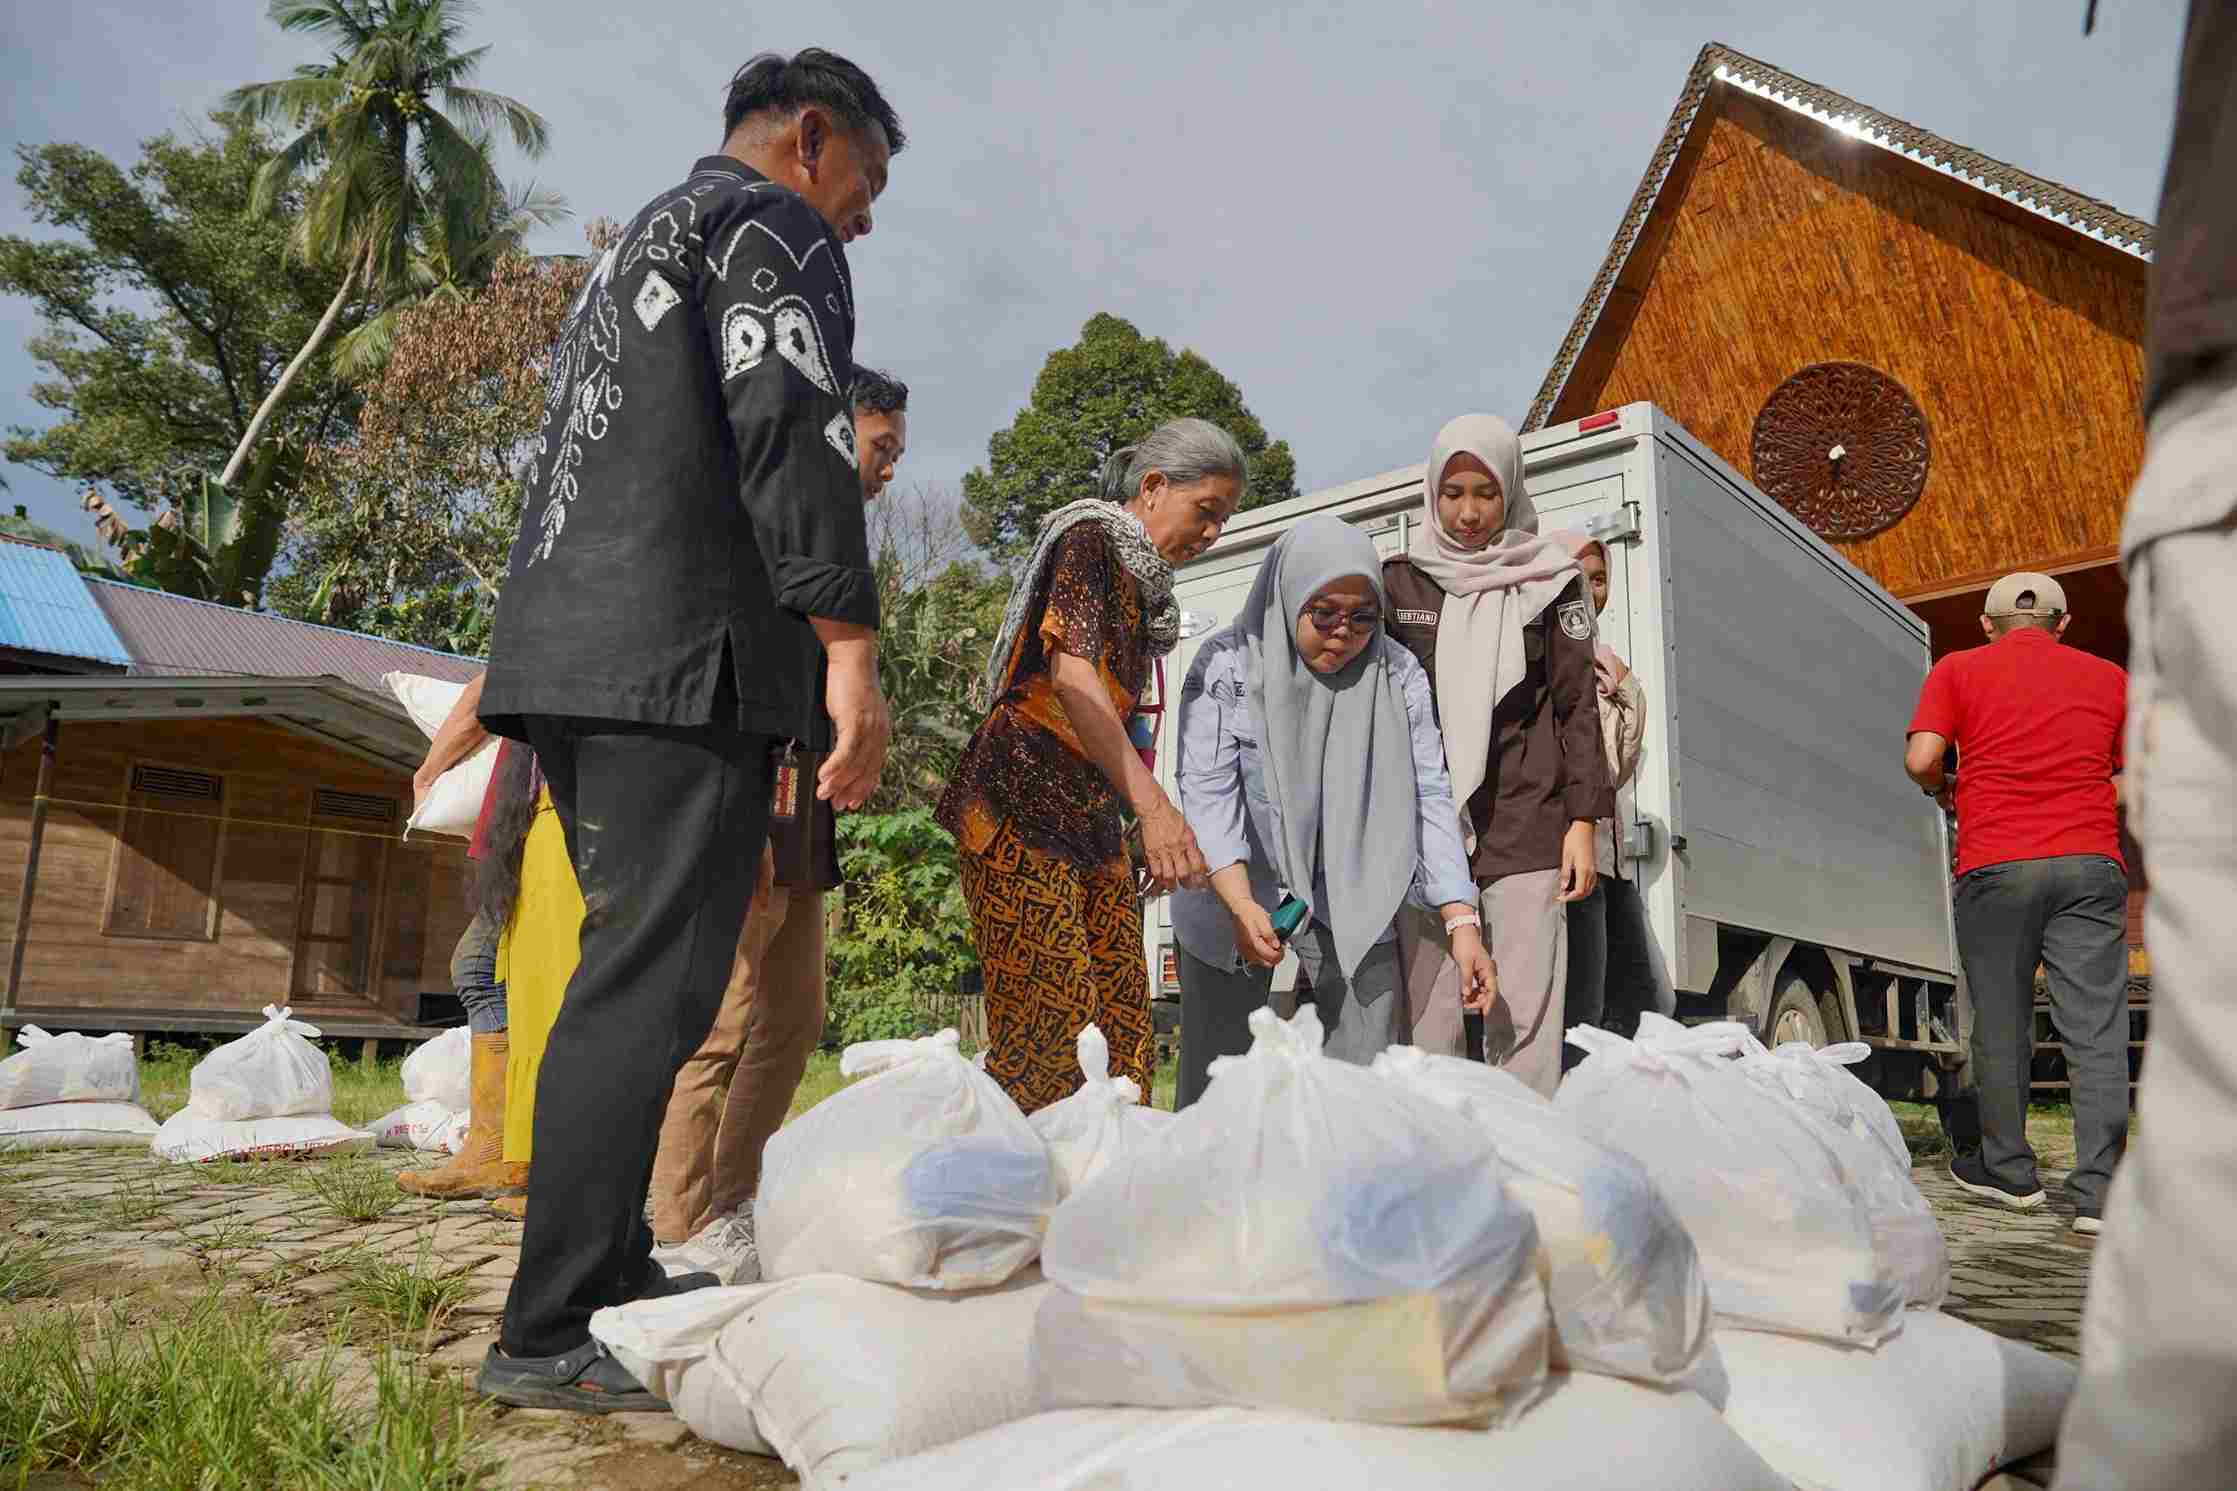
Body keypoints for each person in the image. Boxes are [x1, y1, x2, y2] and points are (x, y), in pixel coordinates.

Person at [472, 50, 902, 1413]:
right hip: (675, 650)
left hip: (575, 646)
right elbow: (791, 422)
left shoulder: (650, 234)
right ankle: (547, 1327)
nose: (865, 221)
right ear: (812, 141)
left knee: (635, 968)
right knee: (650, 979)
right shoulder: (770, 224)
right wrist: (847, 643)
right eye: (868, 186)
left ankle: (605, 1266)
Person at [2057, 4, 2237, 1481]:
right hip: (2064, 862)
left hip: (2015, 862)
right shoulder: (2071, 670)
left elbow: (1926, 767)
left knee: (2213, 1065)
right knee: (2116, 1034)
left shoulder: (1974, 682)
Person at [648, 367, 910, 1285]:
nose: (886, 473)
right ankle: (672, 1231)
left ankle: (733, 1205)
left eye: (895, 457)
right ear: (837, 432)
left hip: (806, 803)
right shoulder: (764, 522)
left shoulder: (836, 551)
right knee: (722, 1016)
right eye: (880, 450)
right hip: (748, 788)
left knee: (794, 1016)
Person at [938, 418, 1240, 1113]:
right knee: (1055, 1031)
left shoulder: (1145, 592)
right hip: (1017, 805)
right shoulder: (1089, 540)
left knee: (1124, 1035)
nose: (1213, 534)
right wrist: (1154, 808)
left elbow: (1119, 718)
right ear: (1154, 487)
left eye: (1224, 520)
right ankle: (1016, 1200)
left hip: (1090, 820)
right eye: (1206, 511)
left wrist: (1133, 820)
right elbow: (1073, 679)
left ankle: (1111, 1201)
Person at [1169, 515, 1493, 1108]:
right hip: (1235, 892)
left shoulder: (1395, 674)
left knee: (1358, 1083)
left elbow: (1429, 796)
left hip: (1353, 891)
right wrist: (1242, 906)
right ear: (1288, 595)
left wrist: (1461, 921)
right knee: (1220, 1086)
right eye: (1323, 614)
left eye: (1363, 617)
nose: (1344, 633)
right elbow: (1208, 793)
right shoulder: (1229, 666)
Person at [1386, 414, 1612, 1098]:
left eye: (1484, 492)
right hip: (1426, 828)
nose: (1467, 511)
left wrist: (1582, 822)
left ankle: (1526, 1162)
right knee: (1431, 1019)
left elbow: (1577, 709)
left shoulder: (1552, 581)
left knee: (1525, 1012)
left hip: (1528, 821)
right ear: (1431, 492)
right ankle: (1443, 1167)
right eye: (1451, 492)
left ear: (1510, 489)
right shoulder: (1399, 583)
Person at [1904, 572, 2128, 1232]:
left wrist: (1946, 787)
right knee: (2094, 1027)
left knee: (2000, 1019)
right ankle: (2097, 1194)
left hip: (1995, 863)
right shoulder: (2107, 676)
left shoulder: (1957, 668)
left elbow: (1921, 758)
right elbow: (2131, 777)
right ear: (2062, 623)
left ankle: (2009, 1173)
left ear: (1984, 623)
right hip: (2089, 864)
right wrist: (2081, 801)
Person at [398, 673, 523, 1201]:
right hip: (531, 826)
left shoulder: (548, 616)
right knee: (490, 969)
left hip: (531, 823)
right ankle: (502, 1149)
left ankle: (503, 1152)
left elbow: (483, 693)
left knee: (480, 967)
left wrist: (428, 773)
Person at [1549, 532, 1668, 1051]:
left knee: (1644, 1004)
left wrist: (1624, 687)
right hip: (1572, 853)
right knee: (1582, 1009)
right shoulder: (1547, 653)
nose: (1590, 589)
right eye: (1578, 575)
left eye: (1599, 579)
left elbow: (1620, 763)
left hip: (1610, 857)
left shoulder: (1604, 659)